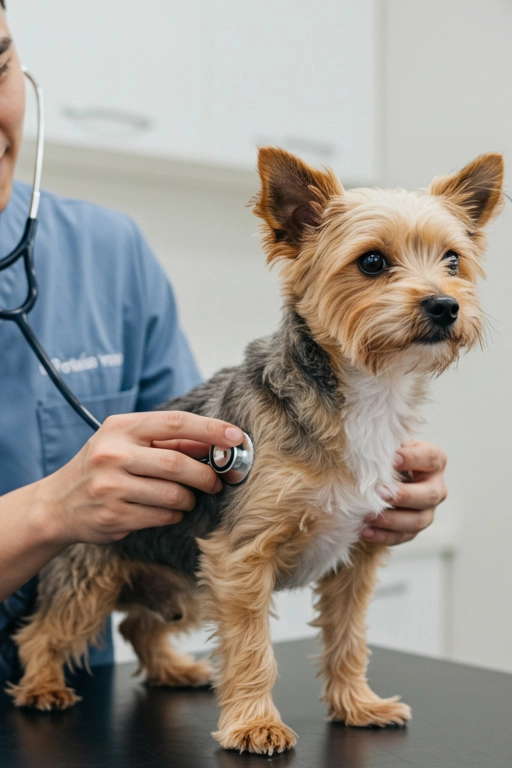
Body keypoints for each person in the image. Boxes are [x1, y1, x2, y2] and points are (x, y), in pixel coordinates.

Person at [0, 4, 447, 682]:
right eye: (376, 264)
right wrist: (50, 512)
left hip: (91, 705)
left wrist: (363, 501)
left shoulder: (109, 250)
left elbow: (203, 471)